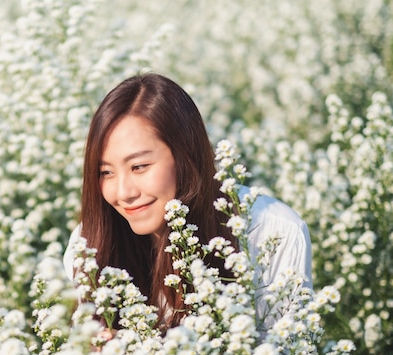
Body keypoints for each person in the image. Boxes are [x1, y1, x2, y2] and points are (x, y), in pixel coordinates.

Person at [63, 73, 312, 332]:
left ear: (185, 156)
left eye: (139, 167)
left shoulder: (272, 232)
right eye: (106, 172)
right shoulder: (90, 245)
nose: (124, 192)